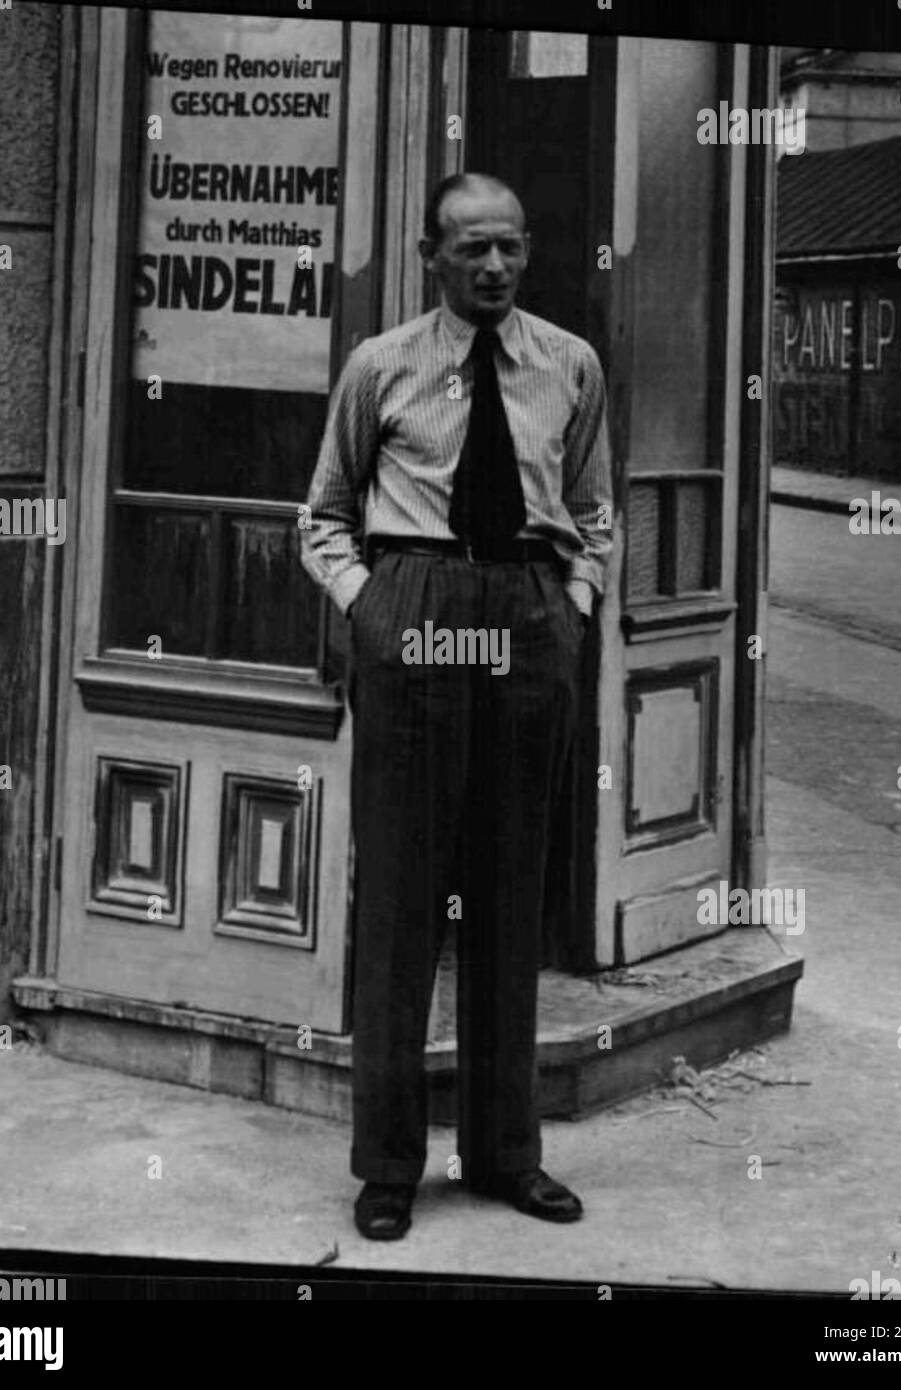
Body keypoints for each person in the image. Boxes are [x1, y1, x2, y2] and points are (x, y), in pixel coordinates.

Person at [300, 172, 613, 1240]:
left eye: (509, 250)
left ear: (527, 253)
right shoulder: (379, 366)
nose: (492, 268)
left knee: (507, 888)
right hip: (417, 607)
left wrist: (569, 602)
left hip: (523, 612)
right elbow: (323, 513)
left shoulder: (568, 364)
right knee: (400, 898)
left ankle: (503, 1154)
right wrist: (374, 607)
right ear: (428, 253)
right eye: (470, 249)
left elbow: (592, 508)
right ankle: (389, 1164)